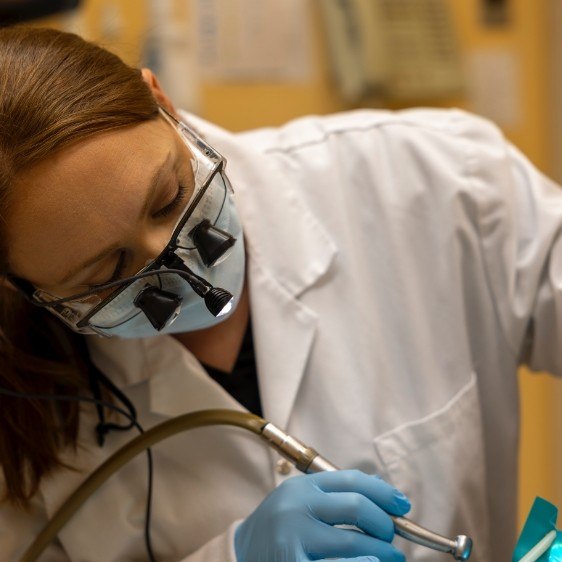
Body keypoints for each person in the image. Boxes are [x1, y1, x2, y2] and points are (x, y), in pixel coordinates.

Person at [0, 25, 559, 562]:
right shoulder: (20, 405)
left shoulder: (434, 177)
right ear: (28, 288)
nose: (185, 266)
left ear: (163, 104)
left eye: (169, 197)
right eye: (108, 273)